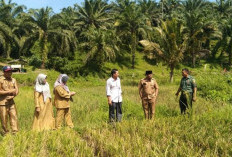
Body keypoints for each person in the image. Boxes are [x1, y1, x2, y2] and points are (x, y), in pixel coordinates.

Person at [0, 66, 19, 134]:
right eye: (8, 72)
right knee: (4, 118)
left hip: (11, 102)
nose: (9, 73)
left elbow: (17, 90)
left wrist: (13, 96)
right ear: (4, 72)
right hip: (2, 103)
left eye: (10, 71)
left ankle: (15, 132)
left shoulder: (13, 80)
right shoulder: (0, 80)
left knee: (14, 116)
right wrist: (10, 91)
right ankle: (5, 132)